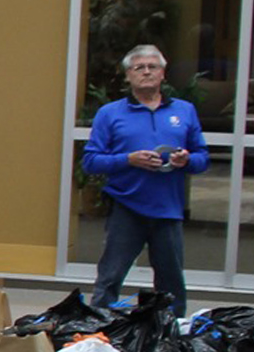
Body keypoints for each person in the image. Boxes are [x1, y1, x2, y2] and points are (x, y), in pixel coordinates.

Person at [84, 44, 207, 314]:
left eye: (153, 67)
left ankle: (172, 338)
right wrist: (129, 159)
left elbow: (202, 158)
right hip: (126, 208)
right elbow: (90, 162)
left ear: (163, 74)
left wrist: (186, 160)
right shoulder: (110, 113)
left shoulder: (184, 111)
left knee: (171, 283)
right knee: (110, 278)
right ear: (128, 76)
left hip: (168, 210)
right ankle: (94, 334)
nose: (147, 72)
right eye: (139, 68)